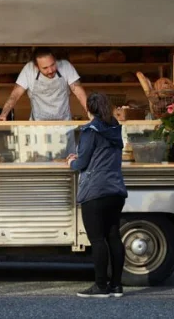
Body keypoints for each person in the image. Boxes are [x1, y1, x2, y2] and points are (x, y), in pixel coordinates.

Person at [67, 93, 128, 298]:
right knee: (113, 237)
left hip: (95, 191)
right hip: (116, 190)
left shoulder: (90, 131)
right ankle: (117, 286)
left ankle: (101, 286)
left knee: (97, 239)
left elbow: (82, 163)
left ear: (90, 110)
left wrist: (71, 162)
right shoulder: (115, 128)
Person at [0, 47, 88, 121]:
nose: (50, 70)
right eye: (45, 68)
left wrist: (91, 114)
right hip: (38, 127)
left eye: (52, 65)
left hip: (64, 126)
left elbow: (79, 93)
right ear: (36, 66)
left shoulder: (65, 66)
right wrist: (3, 115)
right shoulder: (29, 70)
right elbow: (15, 95)